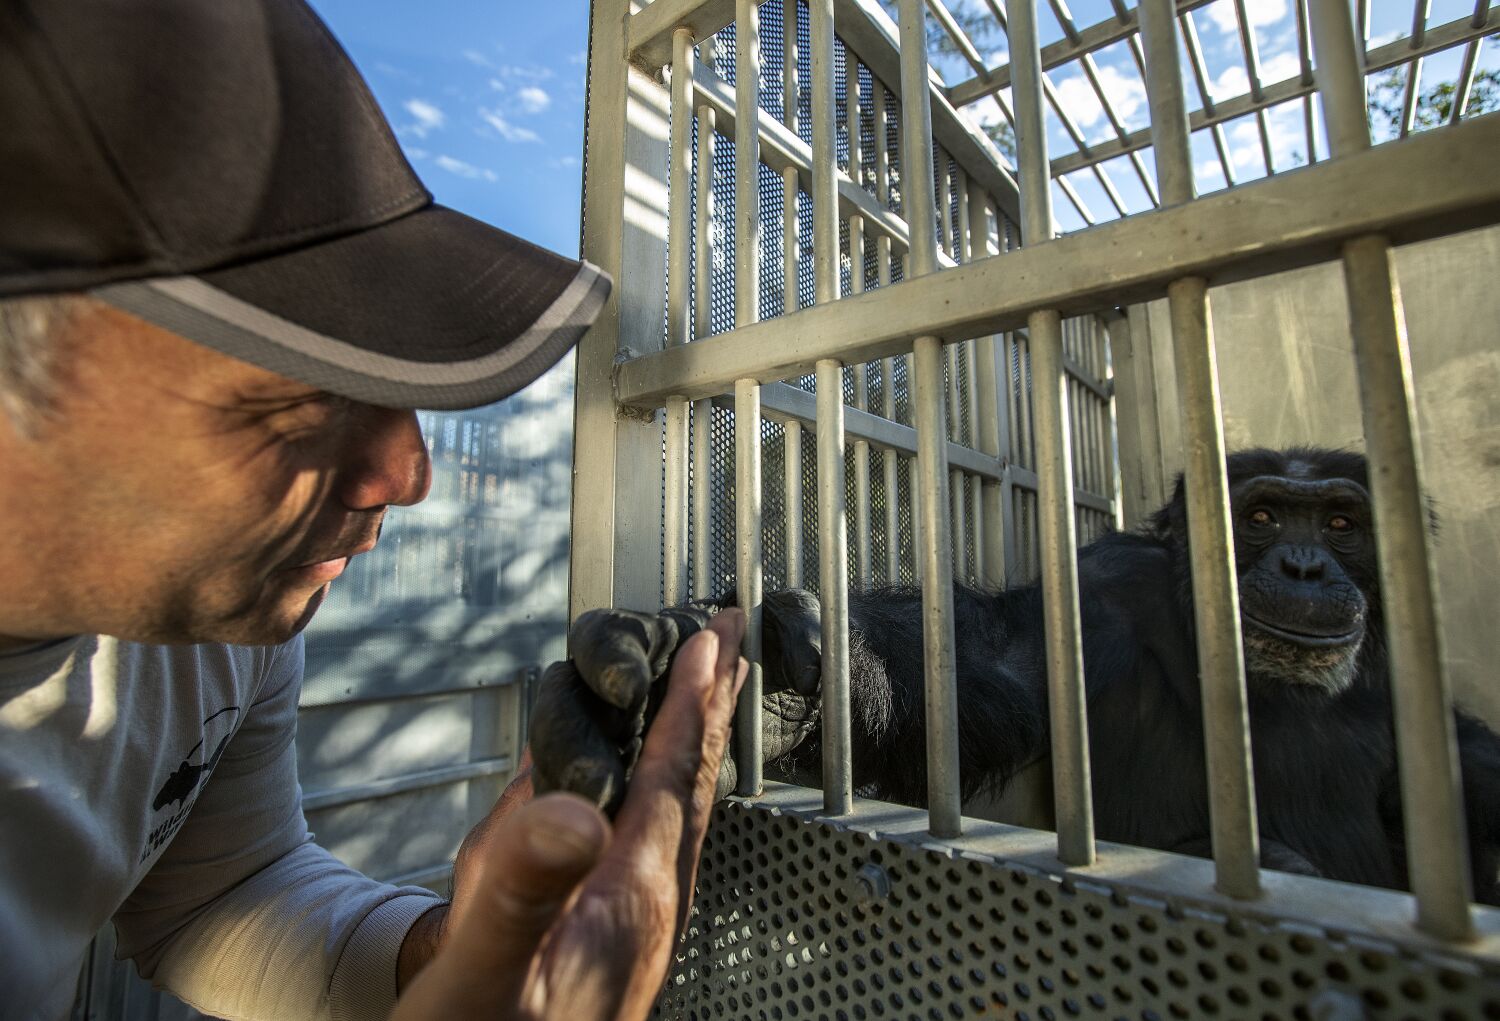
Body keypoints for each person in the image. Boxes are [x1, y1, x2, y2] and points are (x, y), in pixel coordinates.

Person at [0, 1, 747, 1019]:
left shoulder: (216, 615)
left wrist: (457, 951)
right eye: (299, 399)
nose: (408, 474)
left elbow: (222, 887)